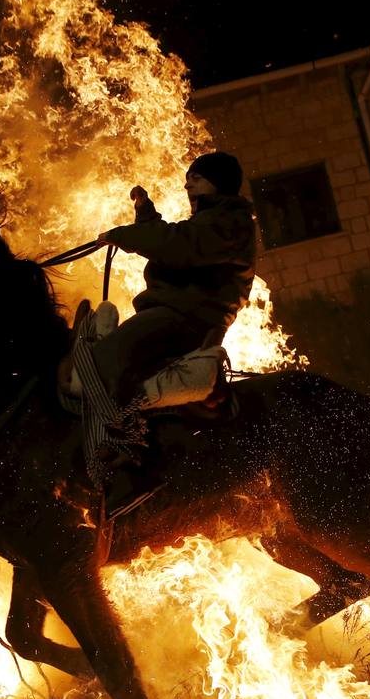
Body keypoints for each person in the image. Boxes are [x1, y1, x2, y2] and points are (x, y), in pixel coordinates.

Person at [93, 151, 256, 516]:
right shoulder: (212, 221)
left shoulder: (231, 222)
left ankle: (133, 467)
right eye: (188, 177)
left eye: (196, 177)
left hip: (188, 318)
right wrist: (147, 217)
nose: (187, 183)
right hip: (175, 312)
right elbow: (177, 244)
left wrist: (131, 234)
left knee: (107, 359)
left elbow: (179, 246)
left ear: (218, 182)